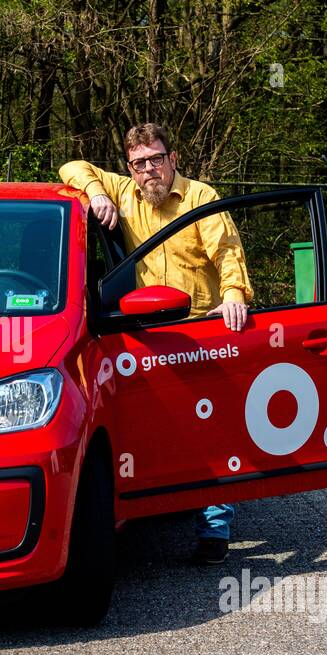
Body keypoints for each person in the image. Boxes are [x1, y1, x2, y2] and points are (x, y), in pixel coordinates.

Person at [59, 122, 253, 565]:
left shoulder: (201, 197)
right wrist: (98, 192)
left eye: (156, 160)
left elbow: (227, 251)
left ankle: (214, 527)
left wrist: (234, 296)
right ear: (130, 167)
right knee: (161, 425)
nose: (149, 170)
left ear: (173, 160)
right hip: (146, 334)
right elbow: (71, 165)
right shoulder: (124, 192)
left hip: (201, 330)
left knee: (212, 429)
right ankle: (163, 498)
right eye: (139, 163)